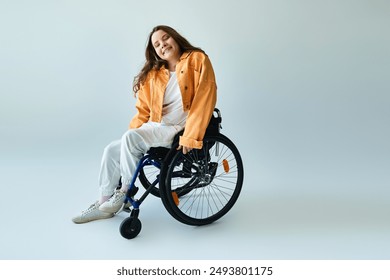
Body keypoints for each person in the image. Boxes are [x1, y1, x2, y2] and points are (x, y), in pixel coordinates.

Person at [72, 25, 217, 223]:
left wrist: (190, 136)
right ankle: (103, 203)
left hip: (177, 129)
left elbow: (204, 98)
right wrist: (131, 141)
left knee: (130, 140)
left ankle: (124, 193)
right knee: (112, 150)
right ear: (154, 51)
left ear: (175, 38)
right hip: (156, 127)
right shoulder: (155, 74)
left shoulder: (197, 59)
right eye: (157, 44)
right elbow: (143, 110)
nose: (162, 45)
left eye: (166, 38)